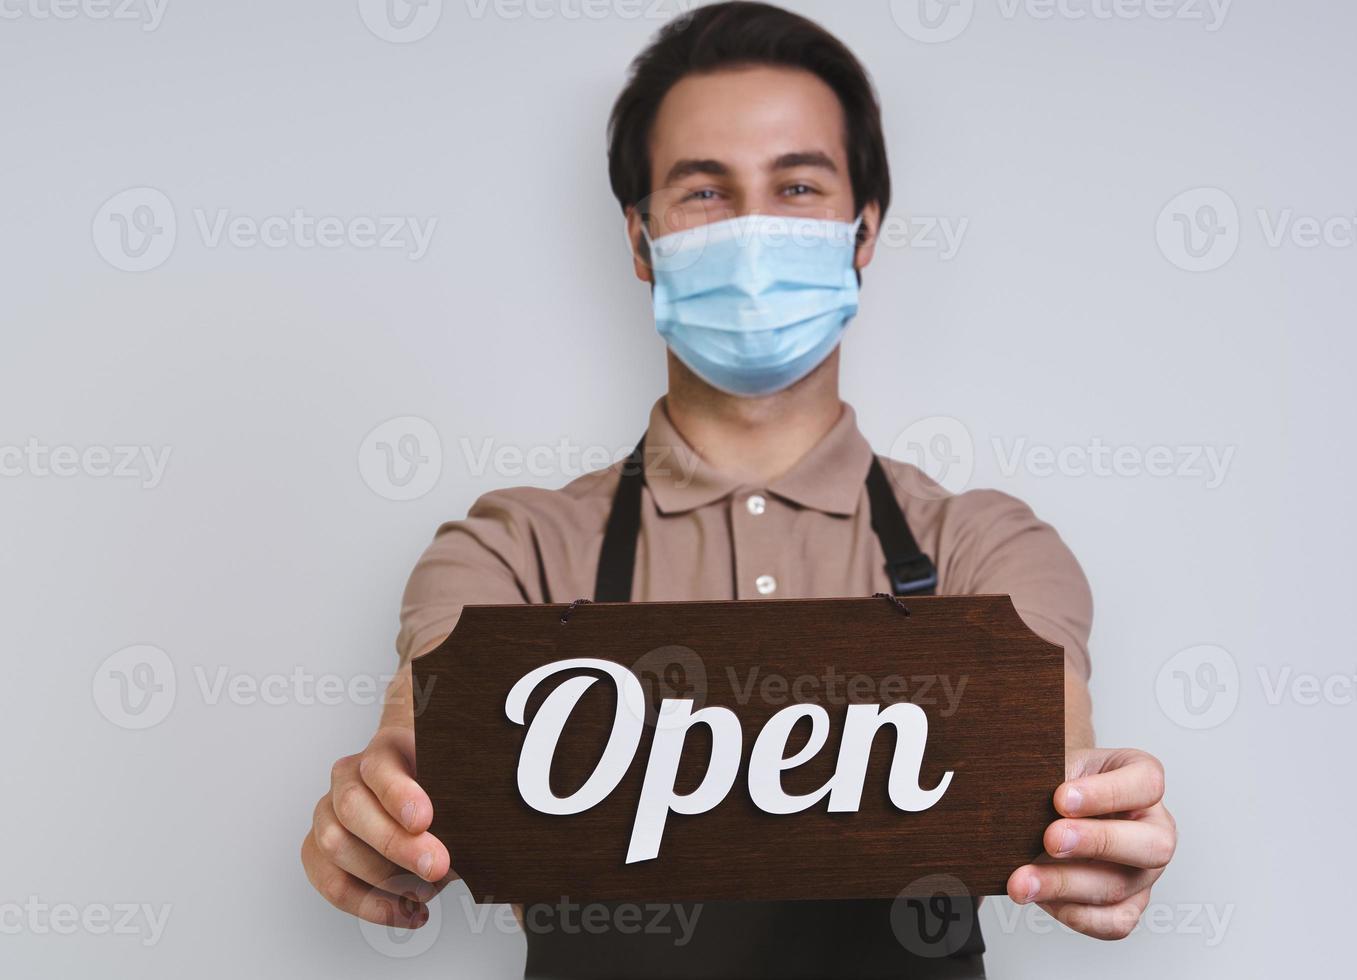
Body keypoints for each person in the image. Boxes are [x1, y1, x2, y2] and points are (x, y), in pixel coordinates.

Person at [300, 3, 1177, 976]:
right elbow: (420, 742)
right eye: (705, 193)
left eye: (795, 186)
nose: (754, 231)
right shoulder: (515, 549)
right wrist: (383, 818)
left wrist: (1096, 828)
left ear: (861, 234)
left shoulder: (986, 551)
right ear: (640, 240)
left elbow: (1054, 744)